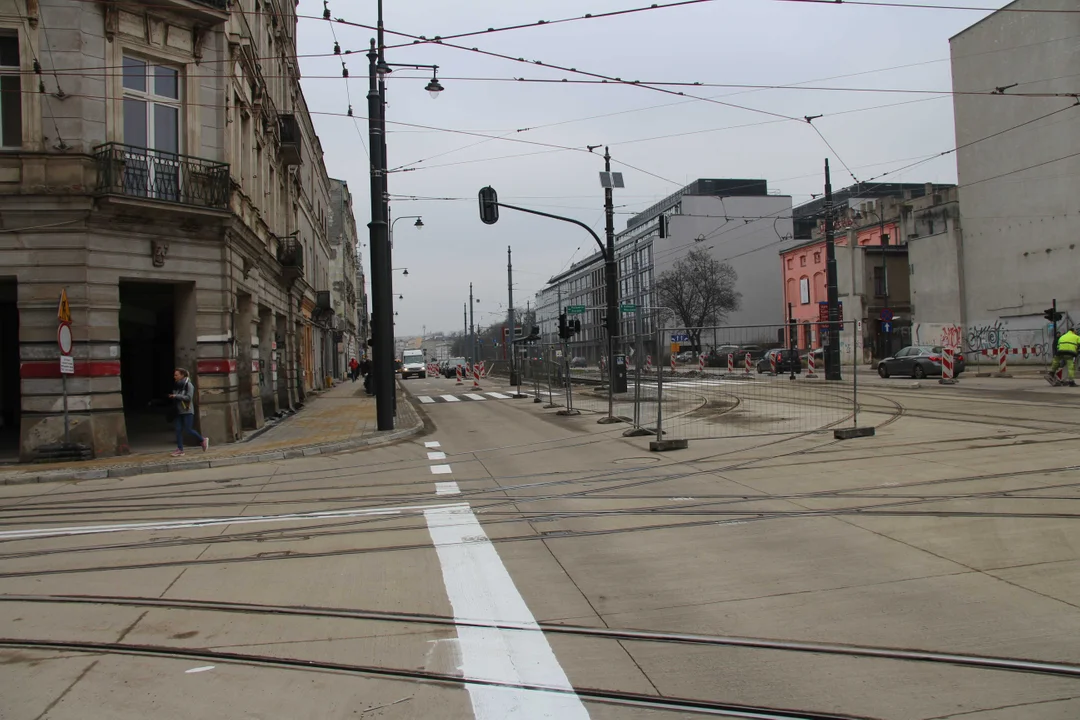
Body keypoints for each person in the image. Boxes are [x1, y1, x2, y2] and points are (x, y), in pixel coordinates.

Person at [169, 368, 209, 456]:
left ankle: (202, 439)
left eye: (176, 375)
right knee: (178, 430)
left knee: (188, 429)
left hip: (187, 410)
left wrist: (176, 396)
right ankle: (180, 449)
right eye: (174, 375)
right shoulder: (177, 385)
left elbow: (188, 398)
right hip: (178, 411)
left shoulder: (189, 385)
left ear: (182, 375)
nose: (174, 377)